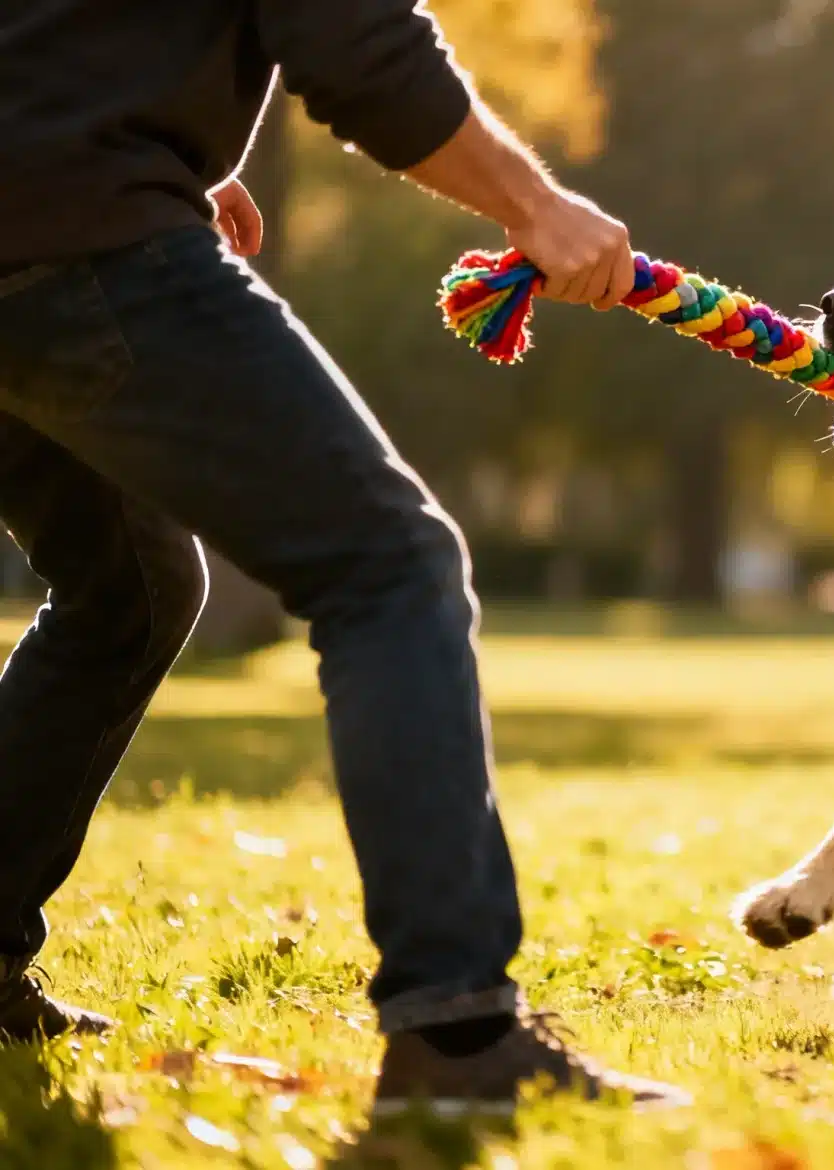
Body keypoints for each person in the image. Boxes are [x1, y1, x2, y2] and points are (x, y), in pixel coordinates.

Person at [0, 0, 686, 1112]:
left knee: (129, 589)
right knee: (388, 570)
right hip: (87, 234)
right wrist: (535, 205)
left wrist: (122, 128)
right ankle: (457, 1034)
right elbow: (354, 42)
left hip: (44, 215)